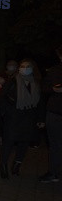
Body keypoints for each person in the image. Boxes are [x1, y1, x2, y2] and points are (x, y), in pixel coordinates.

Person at [0, 58, 45, 178]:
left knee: (24, 143)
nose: (25, 68)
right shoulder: (12, 81)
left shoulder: (36, 83)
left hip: (29, 118)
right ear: (19, 68)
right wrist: (7, 112)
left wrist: (40, 119)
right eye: (23, 66)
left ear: (32, 69)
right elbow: (1, 97)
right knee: (8, 142)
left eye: (27, 66)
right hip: (13, 117)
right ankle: (3, 166)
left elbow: (40, 102)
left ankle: (17, 165)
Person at [39, 46, 62, 182]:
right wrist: (53, 89)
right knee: (55, 145)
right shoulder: (54, 70)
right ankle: (54, 173)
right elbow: (44, 88)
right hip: (55, 113)